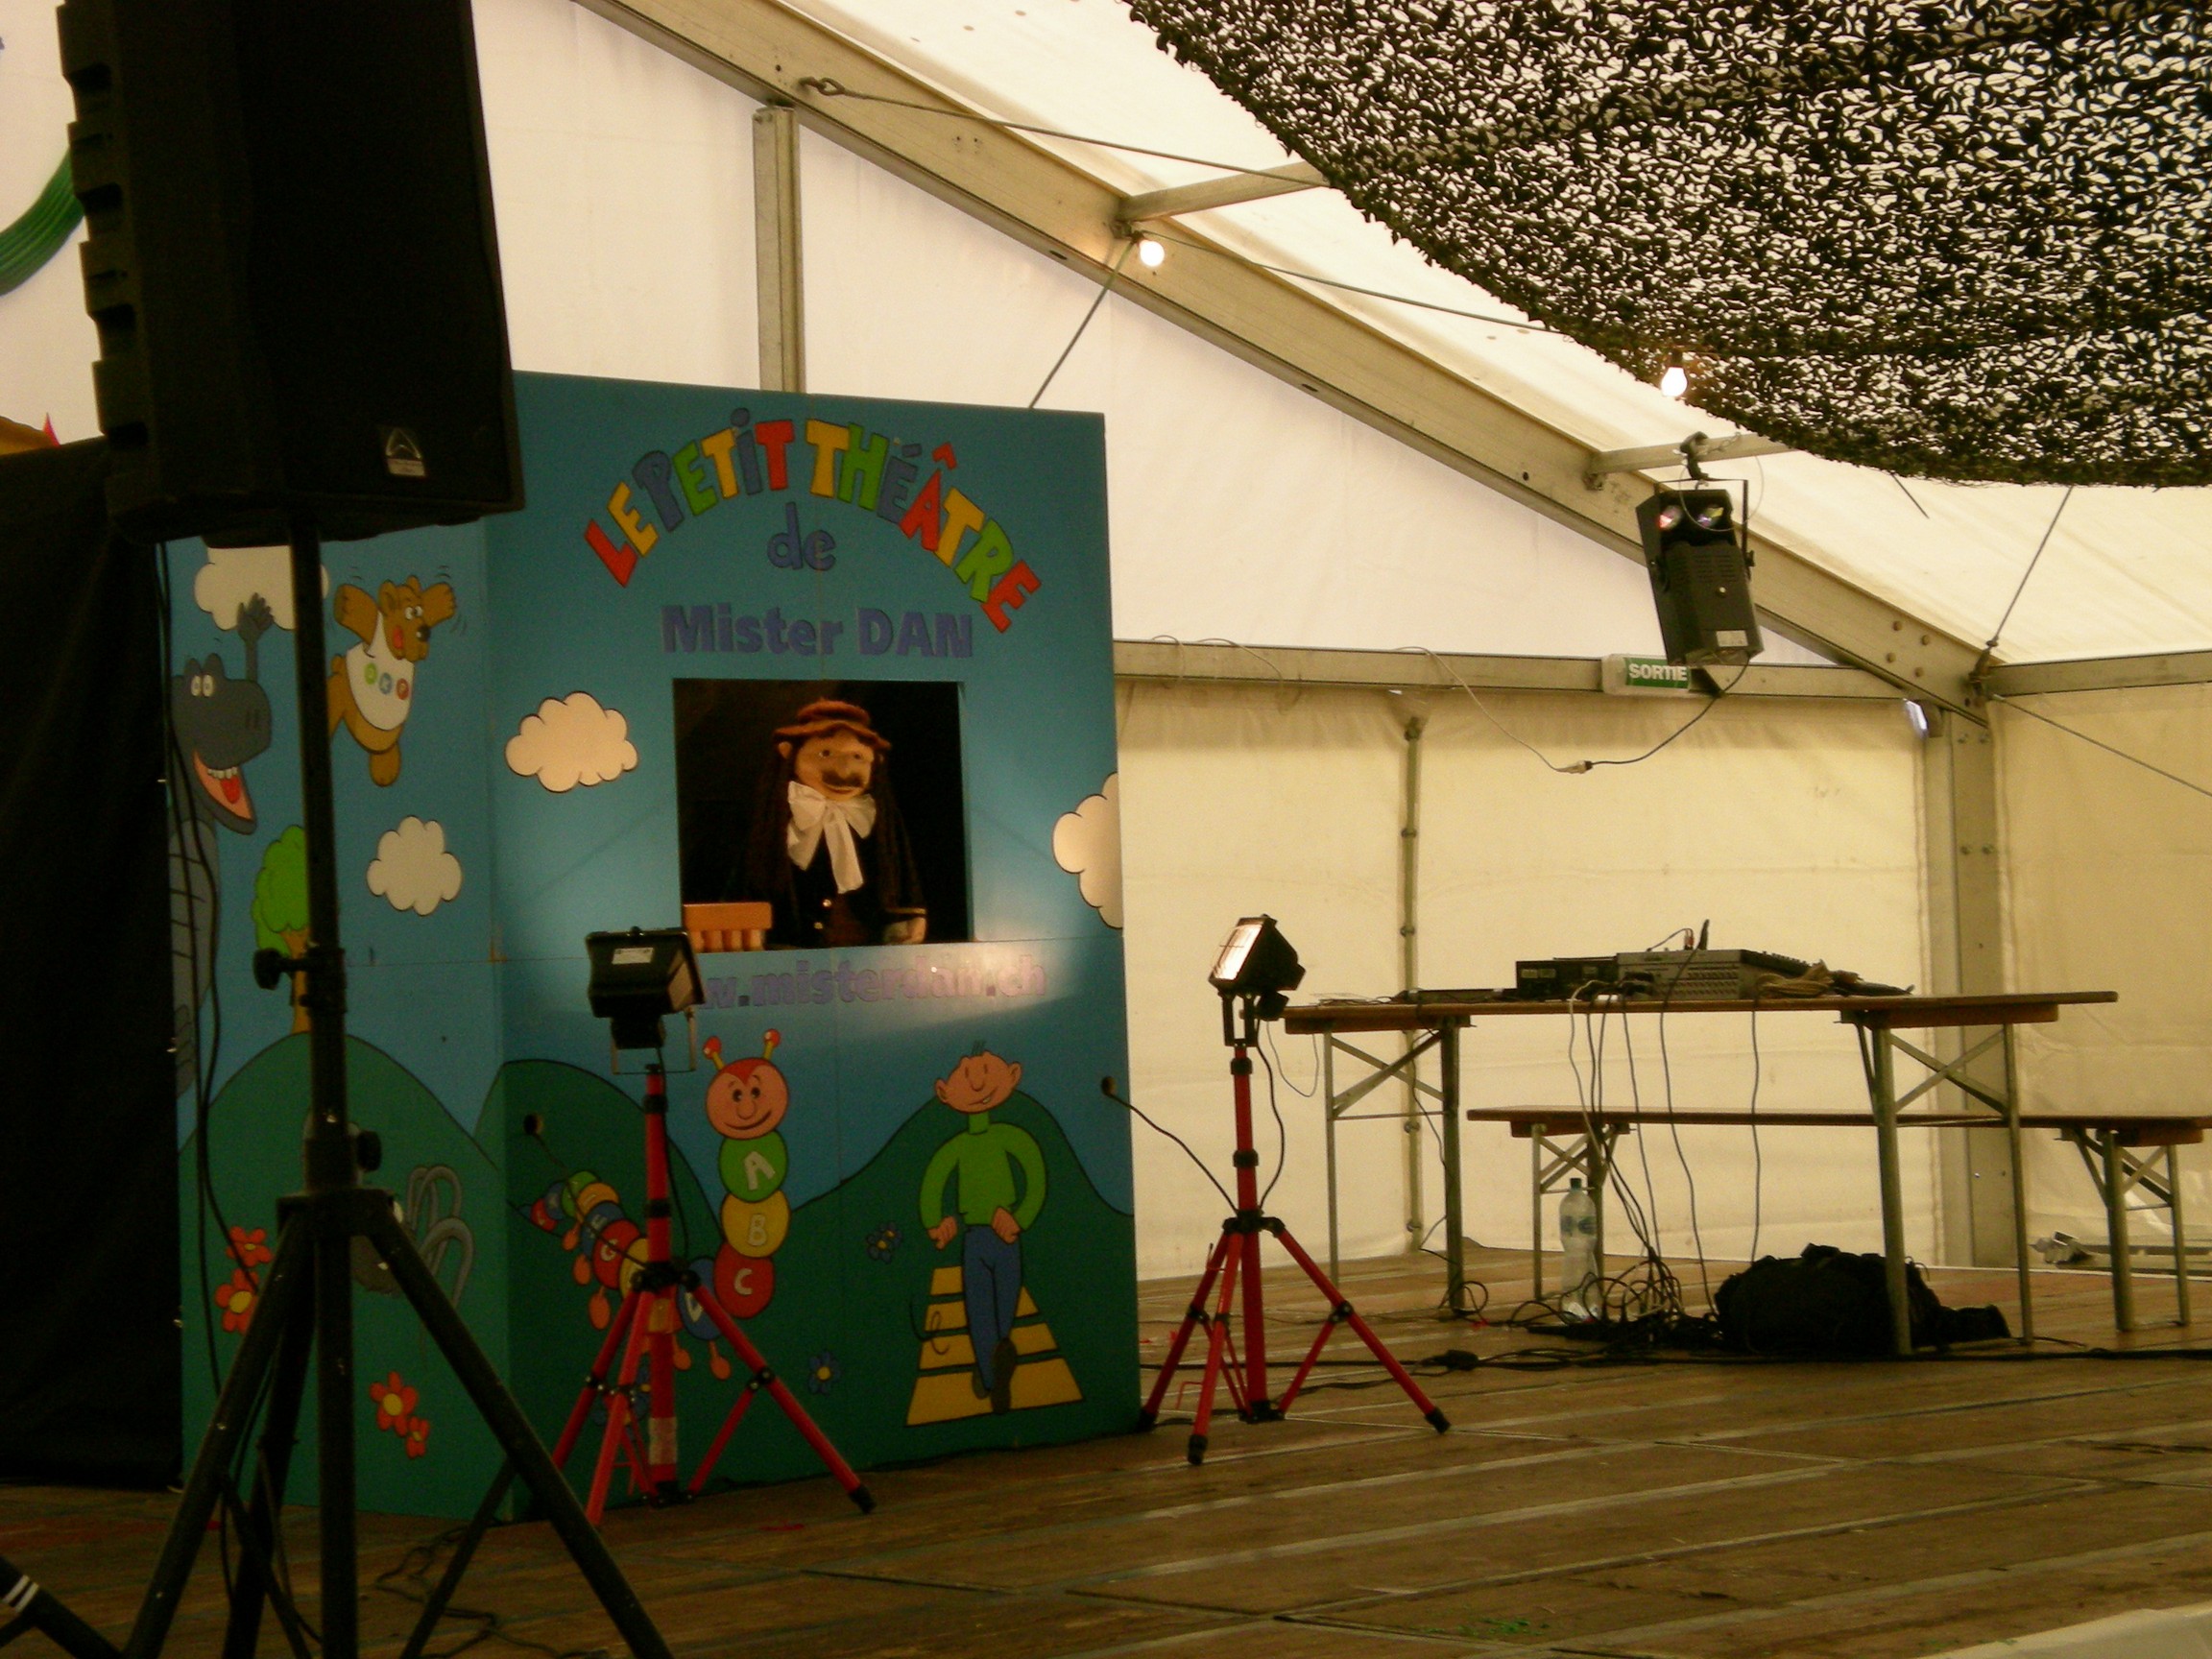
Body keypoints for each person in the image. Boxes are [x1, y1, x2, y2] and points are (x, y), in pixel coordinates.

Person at [919, 1043, 1045, 1413]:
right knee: (981, 1310)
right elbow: (934, 1180)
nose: (976, 1083)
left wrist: (1020, 1217)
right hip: (976, 1237)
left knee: (1000, 1308)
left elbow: (1035, 1172)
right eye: (965, 1075)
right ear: (944, 1092)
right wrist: (935, 1222)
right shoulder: (958, 1146)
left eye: (986, 1072)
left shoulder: (1008, 1137)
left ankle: (991, 1374)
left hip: (1003, 1235)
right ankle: (995, 1374)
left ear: (1012, 1077)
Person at [740, 698, 926, 947]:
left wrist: (908, 914)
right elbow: (749, 869)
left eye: (858, 756)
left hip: (866, 948)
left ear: (876, 761)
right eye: (825, 753)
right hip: (791, 948)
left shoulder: (878, 818)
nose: (845, 770)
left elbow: (899, 863)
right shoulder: (773, 817)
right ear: (788, 753)